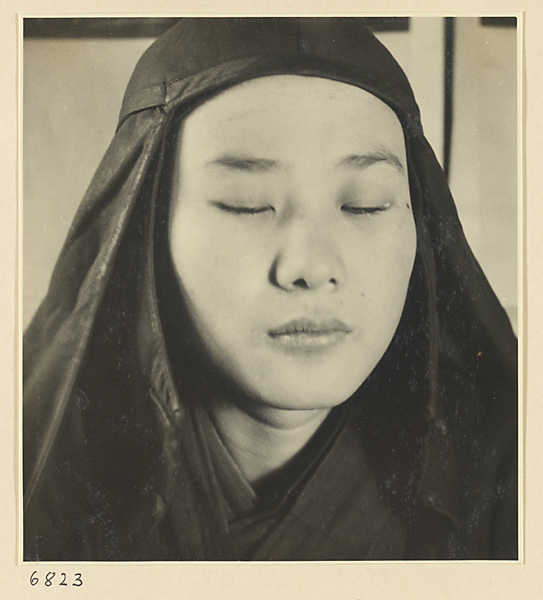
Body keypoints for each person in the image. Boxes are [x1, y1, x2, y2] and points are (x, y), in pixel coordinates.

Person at [23, 17, 518, 561]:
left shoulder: (512, 488)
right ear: (147, 226)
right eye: (247, 204)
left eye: (364, 205)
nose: (310, 266)